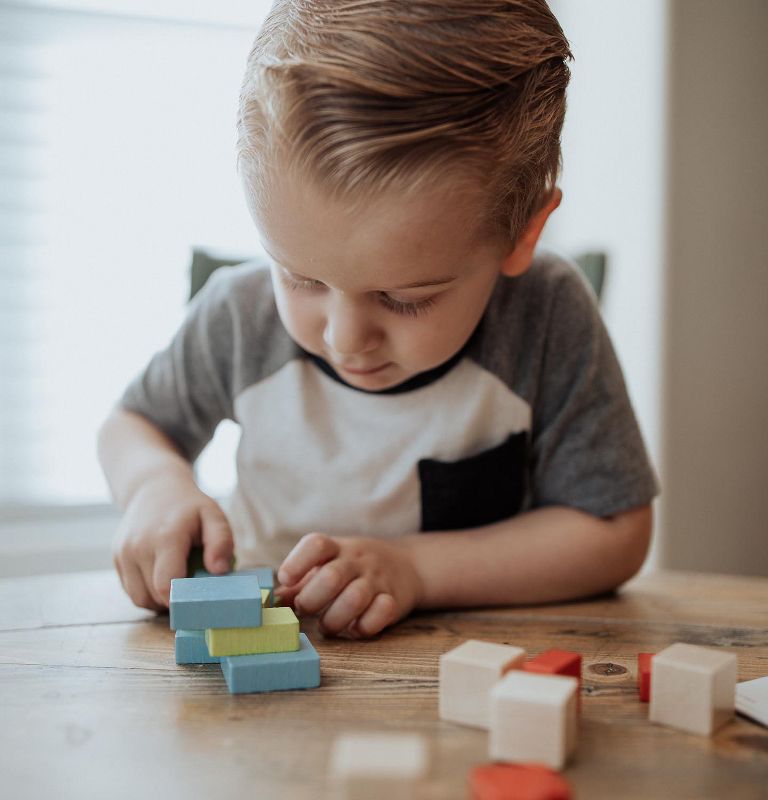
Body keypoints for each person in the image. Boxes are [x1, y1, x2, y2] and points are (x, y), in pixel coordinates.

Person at [98, 0, 657, 639]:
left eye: (404, 298)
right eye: (301, 278)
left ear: (524, 232)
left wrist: (419, 568)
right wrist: (154, 486)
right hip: (258, 671)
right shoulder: (239, 314)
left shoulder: (546, 315)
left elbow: (614, 530)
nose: (345, 337)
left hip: (464, 676)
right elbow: (133, 425)